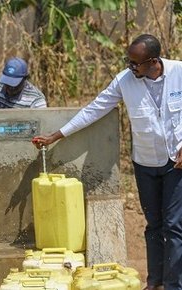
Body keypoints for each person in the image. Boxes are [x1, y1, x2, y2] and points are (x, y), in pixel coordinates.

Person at [32, 34, 182, 290]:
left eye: (135, 63)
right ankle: (154, 281)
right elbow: (95, 108)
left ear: (154, 61)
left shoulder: (179, 72)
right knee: (154, 225)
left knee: (173, 226)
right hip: (145, 164)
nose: (130, 67)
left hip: (175, 163)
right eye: (128, 61)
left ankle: (173, 285)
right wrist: (57, 135)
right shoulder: (125, 81)